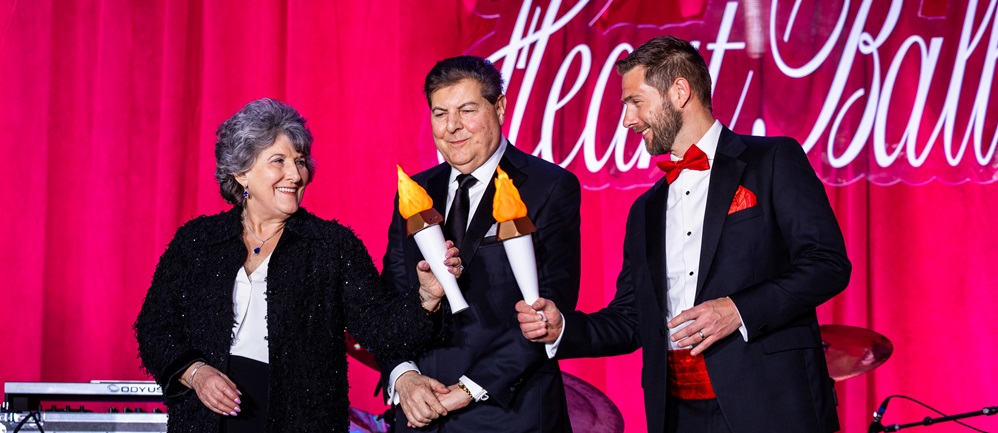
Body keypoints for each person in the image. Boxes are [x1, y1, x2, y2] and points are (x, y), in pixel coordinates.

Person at [517, 36, 851, 433]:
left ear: (679, 92)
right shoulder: (644, 210)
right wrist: (563, 330)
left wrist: (737, 310)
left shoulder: (772, 160)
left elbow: (827, 264)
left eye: (635, 102)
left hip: (771, 404)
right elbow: (630, 319)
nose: (627, 120)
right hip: (676, 414)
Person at [134, 98, 462, 433]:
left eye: (300, 161)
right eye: (279, 161)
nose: (295, 175)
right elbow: (154, 327)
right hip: (204, 423)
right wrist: (195, 373)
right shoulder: (197, 241)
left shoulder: (332, 246)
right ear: (242, 172)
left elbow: (381, 332)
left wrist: (427, 298)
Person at [379, 56, 581, 432]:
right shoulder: (415, 191)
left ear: (499, 107)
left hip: (509, 416)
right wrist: (403, 376)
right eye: (440, 114)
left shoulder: (550, 187)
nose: (452, 127)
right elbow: (388, 304)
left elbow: (549, 309)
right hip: (419, 415)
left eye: (467, 110)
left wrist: (467, 390)